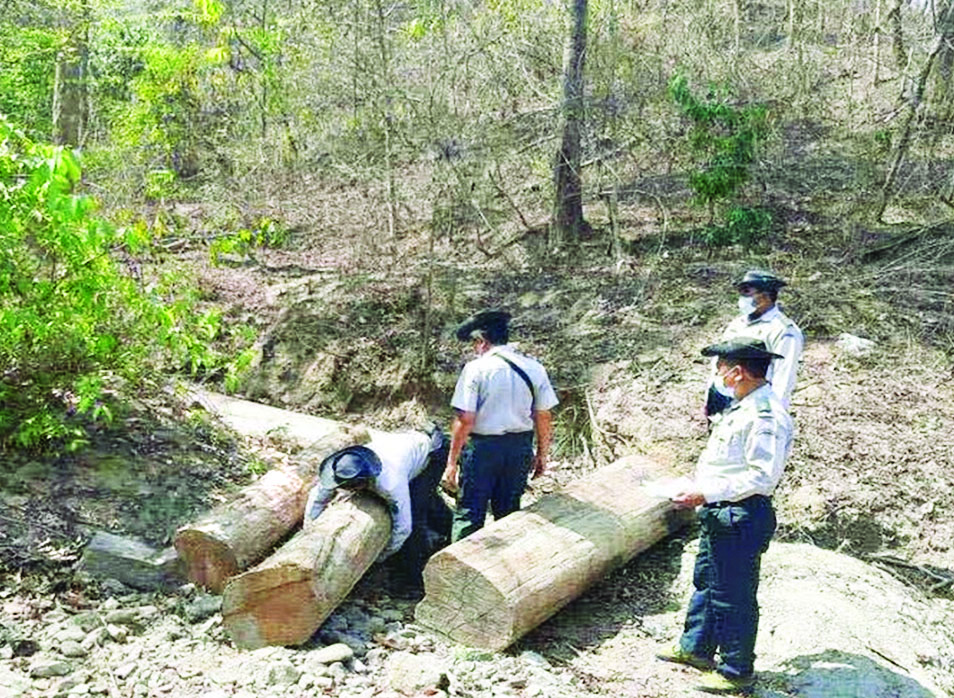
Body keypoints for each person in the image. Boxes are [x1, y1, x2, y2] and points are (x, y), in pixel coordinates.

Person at [658, 338, 794, 695]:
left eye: (720, 368)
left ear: (737, 372)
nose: (717, 375)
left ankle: (736, 670)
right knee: (707, 581)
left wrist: (706, 493)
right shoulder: (742, 407)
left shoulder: (765, 415)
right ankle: (696, 647)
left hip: (741, 514)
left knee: (733, 594)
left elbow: (762, 477)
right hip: (720, 511)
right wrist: (699, 489)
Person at [441, 310, 559, 542]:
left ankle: (464, 561)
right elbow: (543, 416)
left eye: (474, 344)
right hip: (519, 448)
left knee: (470, 513)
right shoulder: (534, 368)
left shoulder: (475, 369)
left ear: (482, 341)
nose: (475, 349)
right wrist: (542, 455)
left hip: (482, 450)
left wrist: (451, 462)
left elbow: (465, 420)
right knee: (509, 514)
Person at [303, 426, 451, 595]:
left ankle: (413, 580)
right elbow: (317, 500)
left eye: (351, 488)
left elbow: (404, 528)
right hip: (407, 446)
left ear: (364, 481)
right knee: (424, 498)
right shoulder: (341, 468)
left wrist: (381, 556)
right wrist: (310, 533)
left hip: (433, 452)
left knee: (416, 512)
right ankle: (447, 528)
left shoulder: (391, 483)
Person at [705, 269, 803, 418]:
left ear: (765, 296)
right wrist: (709, 399)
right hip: (722, 403)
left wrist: (771, 415)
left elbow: (784, 377)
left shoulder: (783, 330)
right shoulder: (737, 324)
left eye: (746, 292)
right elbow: (717, 366)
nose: (742, 297)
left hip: (753, 406)